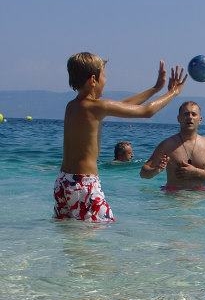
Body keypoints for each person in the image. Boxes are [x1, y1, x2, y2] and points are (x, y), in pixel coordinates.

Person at [54, 53, 187, 223]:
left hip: (64, 182)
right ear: (93, 80)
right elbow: (147, 111)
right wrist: (173, 92)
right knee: (101, 230)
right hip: (84, 184)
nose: (106, 80)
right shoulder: (97, 106)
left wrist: (155, 89)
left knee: (71, 234)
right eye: (104, 75)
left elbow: (123, 106)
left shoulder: (73, 106)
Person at [140, 100, 205, 190]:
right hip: (174, 198)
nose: (190, 117)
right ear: (179, 118)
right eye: (186, 114)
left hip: (200, 198)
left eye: (194, 114)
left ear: (200, 119)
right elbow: (143, 174)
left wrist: (196, 172)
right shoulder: (167, 145)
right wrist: (156, 170)